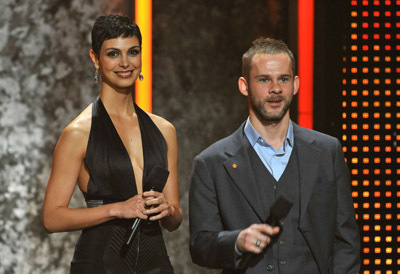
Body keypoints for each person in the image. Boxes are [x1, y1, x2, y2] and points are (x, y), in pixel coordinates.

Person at [189, 37, 360, 274]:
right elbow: (200, 246)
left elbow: (347, 240)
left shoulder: (327, 151)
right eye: (264, 80)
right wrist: (236, 241)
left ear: (296, 84)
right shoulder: (211, 163)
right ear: (244, 85)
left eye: (283, 79)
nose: (276, 89)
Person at [42, 14, 182, 274]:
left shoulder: (164, 131)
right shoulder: (78, 132)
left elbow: (175, 221)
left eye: (133, 52)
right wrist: (118, 209)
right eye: (113, 54)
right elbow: (52, 218)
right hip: (100, 264)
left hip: (156, 264)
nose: (125, 63)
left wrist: (168, 209)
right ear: (95, 59)